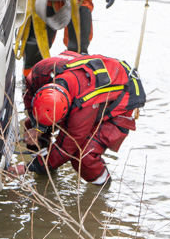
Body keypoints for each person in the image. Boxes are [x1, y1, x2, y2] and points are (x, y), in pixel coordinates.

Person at [8, 51, 145, 185]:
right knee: (29, 126)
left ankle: (102, 186)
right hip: (90, 80)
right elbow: (29, 92)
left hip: (123, 96)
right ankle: (46, 170)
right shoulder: (41, 71)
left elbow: (67, 148)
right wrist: (37, 127)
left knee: (83, 157)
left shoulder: (82, 109)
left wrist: (28, 168)